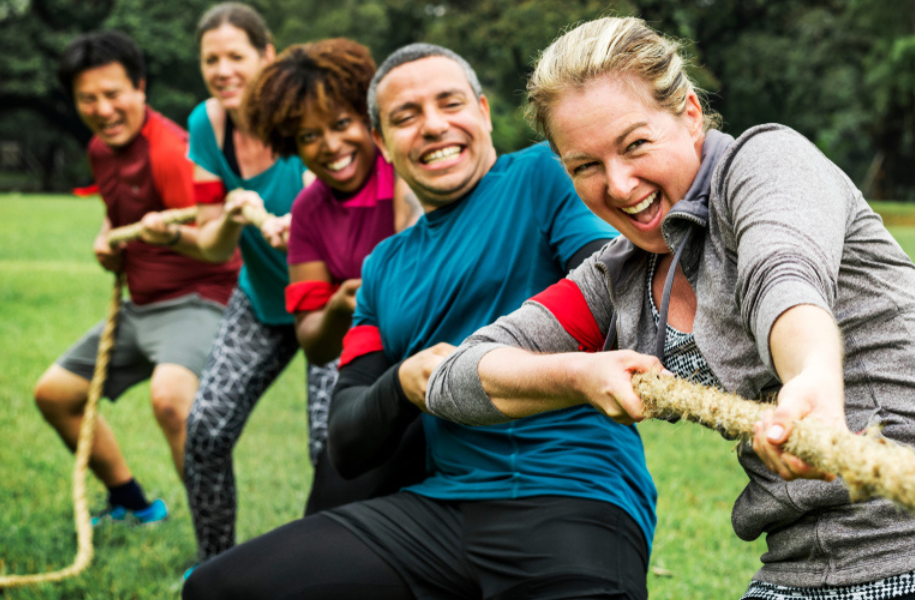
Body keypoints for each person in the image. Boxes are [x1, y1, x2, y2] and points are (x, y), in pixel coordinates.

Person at [425, 17, 915, 600]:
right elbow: (460, 378)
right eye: (585, 166)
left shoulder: (765, 165)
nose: (618, 185)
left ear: (687, 114)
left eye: (634, 145)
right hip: (800, 575)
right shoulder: (618, 278)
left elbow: (785, 277)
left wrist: (812, 383)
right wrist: (576, 376)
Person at [183, 43, 650, 600]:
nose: (432, 126)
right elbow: (347, 441)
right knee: (218, 589)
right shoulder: (383, 267)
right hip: (439, 512)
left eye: (449, 104)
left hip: (571, 496)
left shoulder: (543, 176)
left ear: (482, 111)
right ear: (382, 142)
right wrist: (405, 382)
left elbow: (615, 297)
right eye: (405, 117)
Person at [34, 30, 240, 526]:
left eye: (113, 94)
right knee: (55, 394)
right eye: (88, 98)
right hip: (140, 305)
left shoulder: (172, 151)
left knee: (170, 399)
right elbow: (120, 212)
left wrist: (165, 238)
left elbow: (217, 242)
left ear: (140, 89)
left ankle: (216, 548)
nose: (103, 109)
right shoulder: (102, 151)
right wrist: (109, 238)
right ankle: (133, 504)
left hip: (198, 298)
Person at [244, 38, 424, 513]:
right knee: (334, 497)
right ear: (290, 143)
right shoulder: (307, 212)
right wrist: (340, 307)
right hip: (371, 363)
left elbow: (418, 249)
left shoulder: (403, 167)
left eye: (342, 124)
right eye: (308, 136)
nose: (330, 146)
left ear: (370, 120)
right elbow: (314, 343)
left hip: (437, 357)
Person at [173, 2, 320, 565]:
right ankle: (215, 567)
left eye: (236, 56)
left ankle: (328, 568)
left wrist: (300, 224)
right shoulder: (206, 125)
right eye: (211, 59)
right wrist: (228, 219)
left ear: (267, 56)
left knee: (329, 446)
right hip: (261, 301)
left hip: (330, 303)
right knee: (205, 430)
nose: (223, 70)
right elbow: (211, 244)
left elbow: (329, 196)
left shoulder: (304, 114)